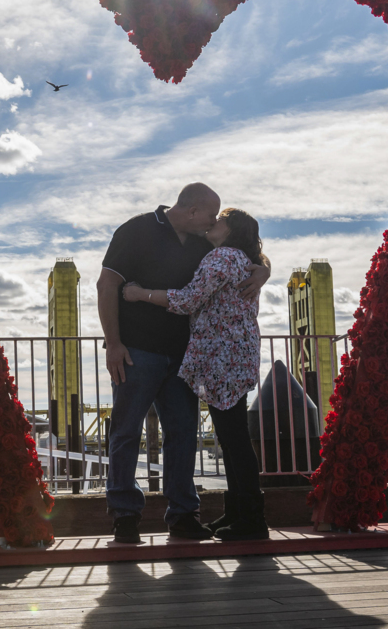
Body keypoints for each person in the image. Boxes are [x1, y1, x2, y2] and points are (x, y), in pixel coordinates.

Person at [97, 184, 269, 543]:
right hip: (137, 350)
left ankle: (183, 515)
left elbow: (245, 248)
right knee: (126, 432)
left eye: (218, 219)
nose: (213, 222)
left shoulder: (203, 242)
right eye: (211, 214)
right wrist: (113, 344)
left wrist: (263, 270)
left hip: (185, 356)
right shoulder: (136, 229)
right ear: (192, 211)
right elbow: (106, 284)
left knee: (183, 435)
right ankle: (125, 516)